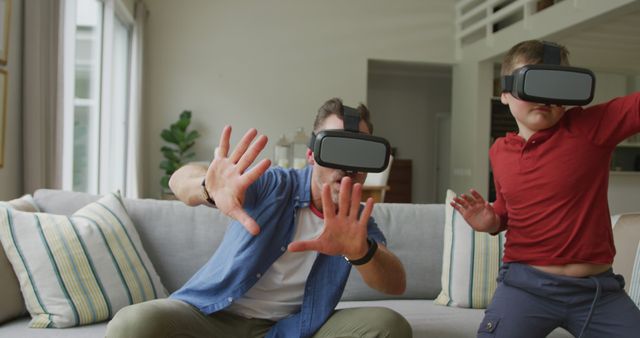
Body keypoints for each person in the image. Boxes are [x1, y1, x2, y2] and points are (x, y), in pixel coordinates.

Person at [106, 98, 412, 338]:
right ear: (311, 155)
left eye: (358, 153)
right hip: (213, 320)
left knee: (389, 326)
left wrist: (361, 252)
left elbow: (394, 283)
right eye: (335, 148)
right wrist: (206, 188)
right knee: (131, 325)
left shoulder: (356, 222)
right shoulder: (274, 184)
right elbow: (179, 179)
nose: (346, 166)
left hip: (293, 329)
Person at [451, 39, 640, 338]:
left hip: (596, 291)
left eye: (556, 87)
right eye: (534, 84)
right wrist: (492, 221)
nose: (546, 98)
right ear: (505, 93)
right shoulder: (499, 151)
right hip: (525, 286)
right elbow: (506, 209)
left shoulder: (591, 126)